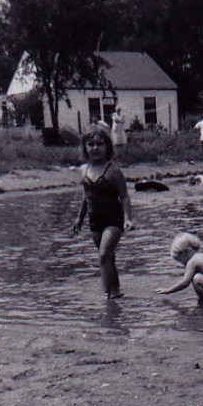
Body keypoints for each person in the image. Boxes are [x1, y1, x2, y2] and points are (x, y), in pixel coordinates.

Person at [72, 125, 134, 299]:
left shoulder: (113, 170)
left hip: (113, 220)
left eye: (100, 144)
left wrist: (128, 219)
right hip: (95, 221)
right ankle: (115, 291)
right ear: (84, 148)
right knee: (109, 258)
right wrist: (79, 218)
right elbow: (87, 196)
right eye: (91, 144)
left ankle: (107, 300)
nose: (95, 148)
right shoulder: (83, 170)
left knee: (104, 255)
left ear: (107, 147)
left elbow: (125, 197)